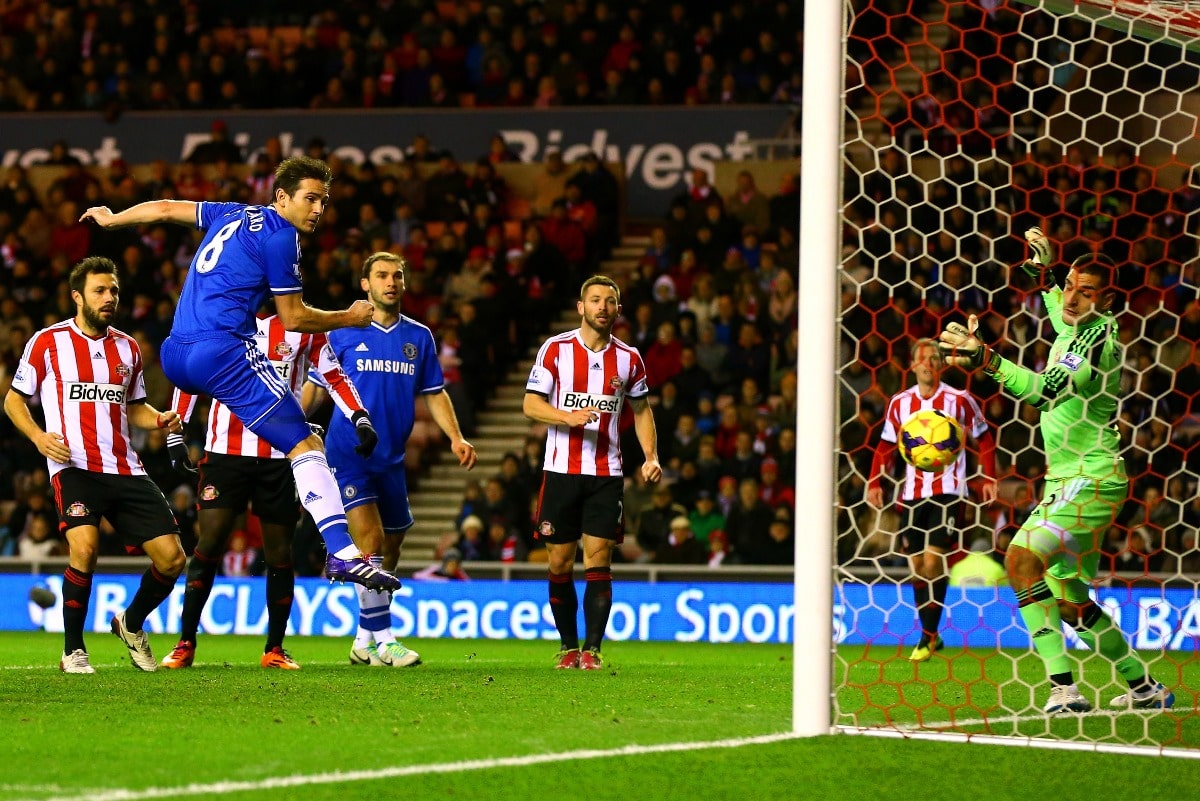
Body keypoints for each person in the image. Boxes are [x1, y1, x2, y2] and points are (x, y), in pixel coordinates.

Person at [79, 156, 396, 592]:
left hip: (176, 354)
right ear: (282, 197)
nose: (319, 208)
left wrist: (115, 220)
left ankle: (180, 433)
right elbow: (294, 317)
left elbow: (169, 207)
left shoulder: (231, 213)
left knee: (292, 438)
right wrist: (351, 316)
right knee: (306, 443)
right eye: (310, 198)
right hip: (221, 351)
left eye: (323, 200)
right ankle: (342, 554)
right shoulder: (283, 238)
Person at [938, 227, 1173, 713]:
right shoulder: (1069, 318)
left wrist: (985, 358)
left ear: (1106, 300)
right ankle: (1144, 687)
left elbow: (1045, 391)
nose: (1070, 296)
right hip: (1067, 480)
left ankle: (1064, 690)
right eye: (1069, 285)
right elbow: (1045, 295)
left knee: (1020, 560)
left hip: (1092, 478)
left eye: (1085, 291)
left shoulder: (1094, 341)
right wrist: (1040, 269)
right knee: (1069, 602)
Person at [3, 256, 187, 673]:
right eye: (100, 291)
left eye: (114, 291)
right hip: (74, 465)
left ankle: (131, 622)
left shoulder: (128, 348)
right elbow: (14, 399)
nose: (109, 298)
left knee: (173, 560)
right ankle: (73, 650)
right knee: (84, 549)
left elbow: (134, 408)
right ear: (77, 296)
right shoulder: (48, 342)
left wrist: (158, 418)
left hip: (124, 468)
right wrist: (38, 438)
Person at [160, 310, 371, 670]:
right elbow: (189, 378)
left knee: (279, 552)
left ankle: (274, 648)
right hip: (225, 453)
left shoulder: (301, 326)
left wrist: (359, 415)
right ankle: (185, 643)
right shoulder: (219, 321)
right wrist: (177, 430)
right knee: (208, 545)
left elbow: (333, 375)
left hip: (281, 454)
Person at [303, 251, 477, 668]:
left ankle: (363, 639)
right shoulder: (341, 333)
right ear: (365, 284)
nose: (391, 281)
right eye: (381, 275)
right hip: (348, 454)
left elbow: (434, 392)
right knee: (372, 542)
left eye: (397, 275)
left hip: (393, 459)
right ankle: (386, 640)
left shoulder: (418, 337)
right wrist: (287, 430)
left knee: (391, 549)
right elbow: (315, 390)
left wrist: (455, 436)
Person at [524, 275, 662, 670]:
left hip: (606, 474)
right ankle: (568, 646)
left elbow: (641, 410)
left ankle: (593, 649)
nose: (603, 307)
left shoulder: (629, 359)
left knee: (599, 560)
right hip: (560, 471)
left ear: (618, 310)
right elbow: (531, 405)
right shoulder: (555, 350)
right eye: (595, 300)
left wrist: (650, 455)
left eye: (610, 301)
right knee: (559, 564)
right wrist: (566, 417)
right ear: (581, 307)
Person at [865, 337, 998, 662]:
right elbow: (884, 446)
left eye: (934, 357)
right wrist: (874, 481)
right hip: (911, 494)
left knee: (932, 561)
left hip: (949, 491)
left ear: (941, 363)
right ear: (912, 365)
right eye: (922, 358)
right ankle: (932, 635)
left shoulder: (960, 399)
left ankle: (925, 637)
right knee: (917, 568)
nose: (928, 362)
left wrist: (988, 476)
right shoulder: (900, 403)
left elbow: (984, 437)